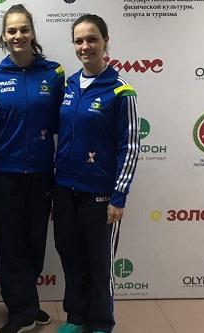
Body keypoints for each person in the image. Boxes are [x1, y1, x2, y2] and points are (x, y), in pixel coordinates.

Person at [53, 14, 139, 333]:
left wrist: (119, 196)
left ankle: (101, 321)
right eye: (79, 40)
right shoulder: (70, 84)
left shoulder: (120, 91)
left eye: (92, 39)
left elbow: (129, 147)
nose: (85, 46)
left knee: (99, 263)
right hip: (65, 189)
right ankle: (76, 317)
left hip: (101, 194)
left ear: (106, 41)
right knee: (71, 257)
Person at [0, 4, 65, 333]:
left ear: (33, 33)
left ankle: (27, 302)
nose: (18, 35)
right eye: (12, 30)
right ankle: (20, 311)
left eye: (24, 29)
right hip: (6, 172)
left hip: (43, 172)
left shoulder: (54, 73)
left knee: (35, 241)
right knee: (10, 243)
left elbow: (66, 119)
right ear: (4, 36)